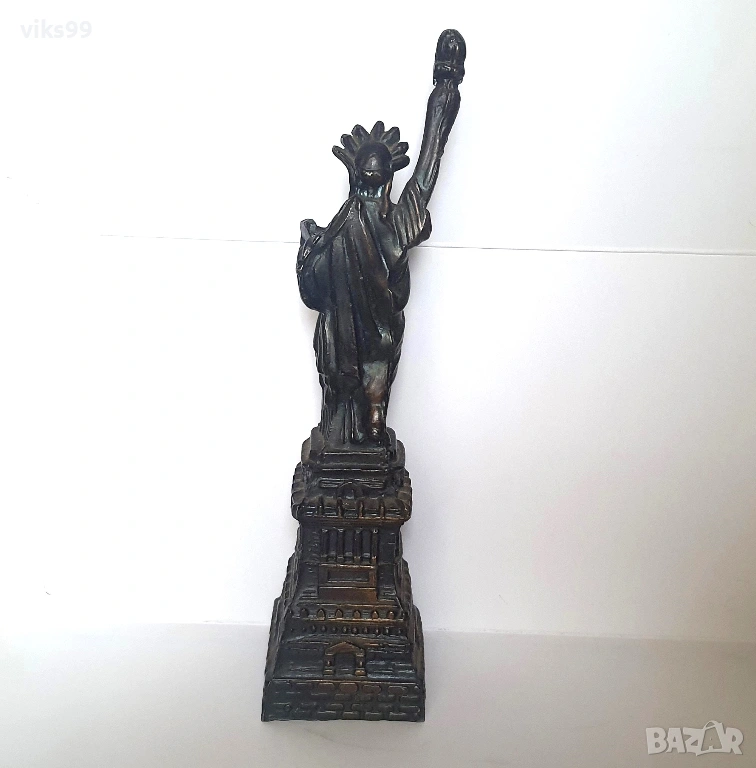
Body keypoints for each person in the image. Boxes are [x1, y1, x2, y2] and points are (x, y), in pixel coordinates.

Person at [296, 30, 465, 447]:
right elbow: (426, 170)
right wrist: (447, 86)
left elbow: (427, 164)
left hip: (371, 342)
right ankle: (361, 422)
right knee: (360, 398)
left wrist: (445, 90)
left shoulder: (374, 225)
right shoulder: (362, 227)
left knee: (366, 398)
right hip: (365, 345)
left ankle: (365, 421)